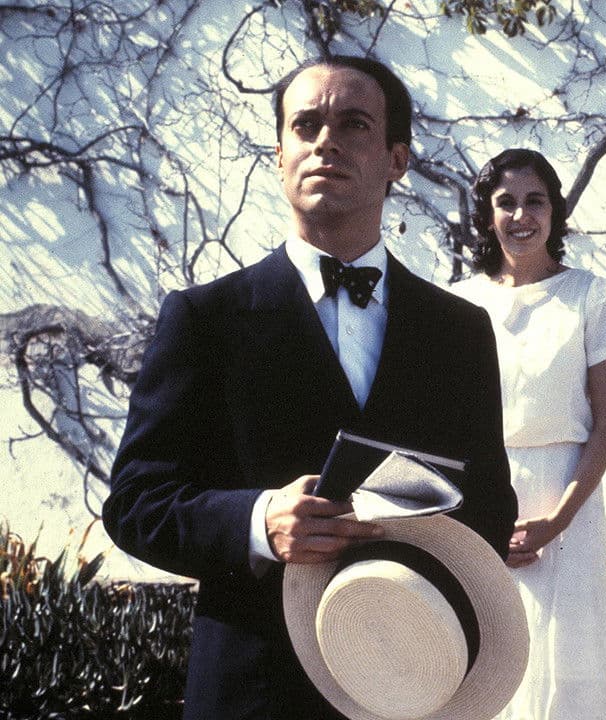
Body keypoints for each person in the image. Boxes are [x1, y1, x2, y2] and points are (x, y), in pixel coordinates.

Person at [101, 56, 516, 720]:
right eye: (305, 125)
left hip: (406, 682)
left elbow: (491, 505)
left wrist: (409, 559)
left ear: (397, 159)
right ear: (279, 155)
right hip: (252, 687)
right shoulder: (205, 319)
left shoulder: (460, 331)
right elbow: (135, 503)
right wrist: (258, 521)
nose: (326, 142)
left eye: (354, 124)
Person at [452, 148, 606, 720]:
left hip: (567, 504)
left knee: (567, 671)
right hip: (483, 503)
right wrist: (479, 517)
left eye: (536, 201)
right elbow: (449, 427)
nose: (521, 216)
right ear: (487, 215)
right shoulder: (461, 303)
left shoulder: (588, 295)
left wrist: (557, 519)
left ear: (554, 212)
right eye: (506, 202)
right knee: (490, 664)